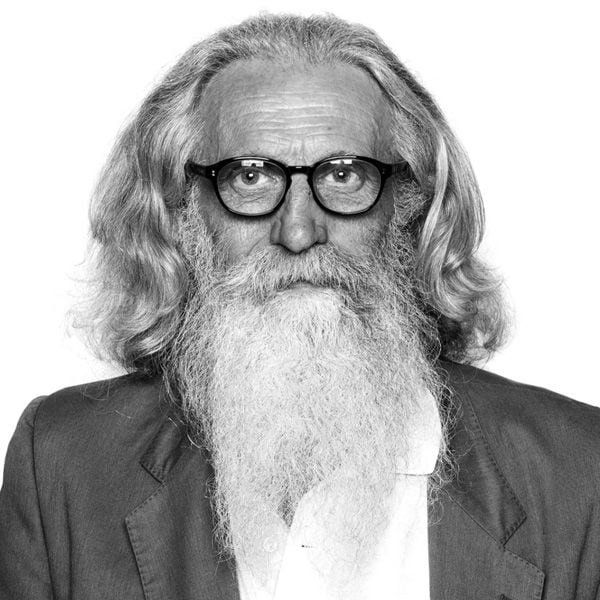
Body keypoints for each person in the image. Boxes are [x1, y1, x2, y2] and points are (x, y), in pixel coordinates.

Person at [1, 13, 599, 600]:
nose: (297, 231)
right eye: (250, 178)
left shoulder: (580, 471)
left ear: (409, 205)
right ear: (183, 211)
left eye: (344, 176)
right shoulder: (62, 461)